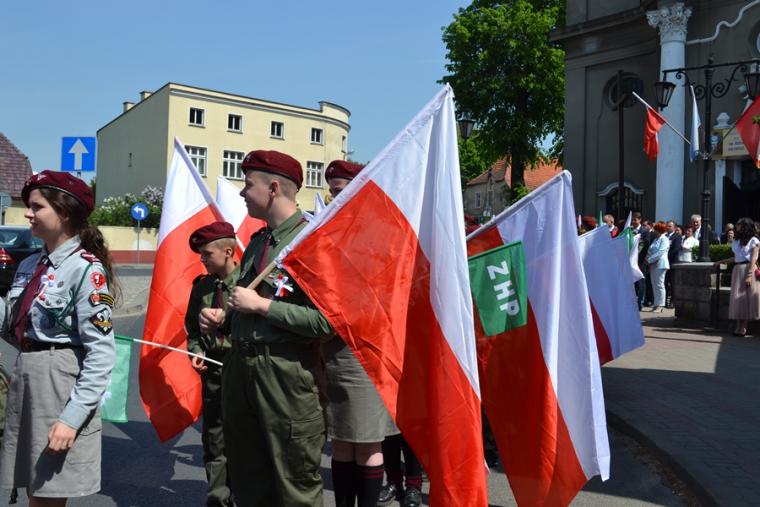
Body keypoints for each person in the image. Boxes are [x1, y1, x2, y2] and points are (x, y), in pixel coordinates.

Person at [199, 150, 333, 506]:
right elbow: (242, 304)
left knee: (295, 485)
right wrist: (222, 318)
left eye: (248, 185)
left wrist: (262, 306)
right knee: (248, 481)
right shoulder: (260, 242)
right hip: (241, 370)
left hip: (284, 375)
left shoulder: (311, 240)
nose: (243, 193)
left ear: (273, 188)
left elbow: (326, 322)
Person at [0, 171, 116, 505]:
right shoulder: (30, 264)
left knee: (47, 494)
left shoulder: (86, 270)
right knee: (33, 490)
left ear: (63, 213)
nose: (28, 213)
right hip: (27, 377)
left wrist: (71, 419)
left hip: (59, 386)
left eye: (37, 207)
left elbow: (101, 354)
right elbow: (14, 327)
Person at [322, 160, 394, 507]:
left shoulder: (375, 231)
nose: (332, 197)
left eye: (338, 190)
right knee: (341, 441)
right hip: (334, 348)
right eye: (331, 191)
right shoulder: (334, 228)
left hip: (365, 347)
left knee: (366, 442)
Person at [185, 221, 239, 507]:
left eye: (207, 254)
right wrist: (195, 351)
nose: (202, 259)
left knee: (245, 437)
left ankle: (243, 494)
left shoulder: (249, 284)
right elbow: (193, 328)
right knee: (215, 439)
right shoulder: (203, 287)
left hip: (242, 369)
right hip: (214, 370)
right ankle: (218, 499)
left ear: (228, 251)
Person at [714, 217, 760, 337]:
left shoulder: (754, 240)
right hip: (738, 270)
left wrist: (749, 275)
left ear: (745, 226)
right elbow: (736, 258)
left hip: (748, 269)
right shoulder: (736, 241)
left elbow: (754, 258)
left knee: (746, 298)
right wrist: (721, 261)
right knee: (738, 298)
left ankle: (744, 326)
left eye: (739, 224)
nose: (737, 226)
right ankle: (738, 325)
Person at [646, 221, 670, 313]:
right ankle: (656, 304)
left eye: (655, 229)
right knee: (654, 284)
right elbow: (650, 250)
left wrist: (649, 260)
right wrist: (648, 258)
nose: (653, 231)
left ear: (659, 230)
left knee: (659, 285)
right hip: (653, 264)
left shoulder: (664, 239)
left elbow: (660, 252)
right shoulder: (656, 239)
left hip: (660, 264)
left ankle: (660, 305)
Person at [665, 220, 682, 308]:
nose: (667, 227)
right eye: (667, 226)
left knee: (672, 283)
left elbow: (676, 249)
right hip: (664, 263)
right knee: (664, 282)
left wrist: (666, 255)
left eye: (669, 226)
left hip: (672, 263)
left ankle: (673, 301)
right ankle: (664, 301)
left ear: (674, 228)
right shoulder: (664, 236)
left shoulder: (677, 236)